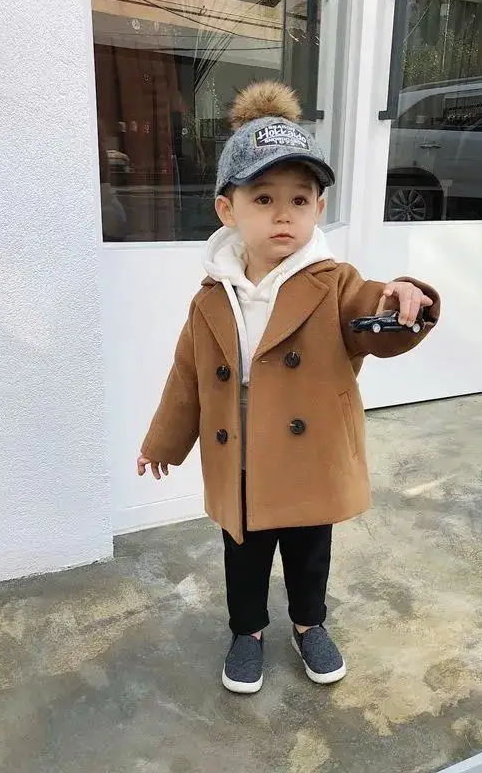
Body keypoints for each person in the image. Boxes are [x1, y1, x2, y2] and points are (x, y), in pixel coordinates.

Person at [137, 81, 440, 694]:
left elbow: (372, 314)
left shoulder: (336, 282)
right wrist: (162, 444)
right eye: (264, 198)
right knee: (243, 557)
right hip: (241, 459)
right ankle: (246, 632)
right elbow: (186, 377)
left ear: (318, 209)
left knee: (308, 553)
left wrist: (402, 298)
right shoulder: (210, 298)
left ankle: (309, 624)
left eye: (300, 199)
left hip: (306, 458)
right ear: (228, 210)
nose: (283, 214)